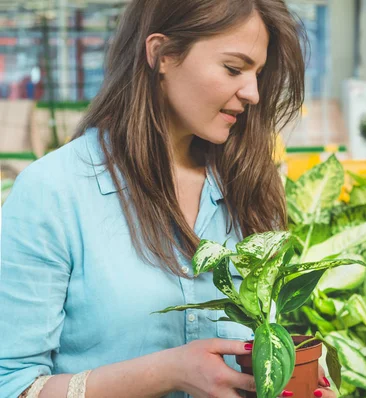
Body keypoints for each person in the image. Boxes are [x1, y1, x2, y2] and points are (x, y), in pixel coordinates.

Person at [0, 1, 335, 397]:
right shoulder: (54, 192)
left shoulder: (247, 188)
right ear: (162, 53)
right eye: (233, 68)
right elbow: (14, 386)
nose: (253, 94)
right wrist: (167, 372)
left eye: (258, 74)